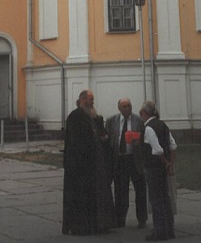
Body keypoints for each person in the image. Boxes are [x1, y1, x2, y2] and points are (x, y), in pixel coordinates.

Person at [62, 89, 114, 235]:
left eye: (93, 100)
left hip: (96, 163)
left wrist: (104, 139)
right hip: (81, 165)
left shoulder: (96, 117)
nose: (93, 103)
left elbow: (102, 133)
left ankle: (100, 224)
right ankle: (82, 226)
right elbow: (75, 142)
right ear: (83, 100)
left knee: (98, 194)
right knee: (82, 197)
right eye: (90, 100)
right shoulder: (75, 117)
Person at [106, 98, 147, 229]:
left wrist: (138, 143)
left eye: (129, 106)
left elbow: (145, 139)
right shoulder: (112, 121)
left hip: (134, 159)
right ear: (119, 108)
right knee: (120, 191)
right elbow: (108, 140)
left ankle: (142, 219)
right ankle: (120, 218)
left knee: (140, 190)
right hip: (120, 160)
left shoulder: (139, 121)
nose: (127, 109)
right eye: (124, 106)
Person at [140, 101, 177, 241]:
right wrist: (170, 164)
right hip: (163, 168)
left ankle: (160, 231)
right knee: (165, 198)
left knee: (156, 199)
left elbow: (157, 150)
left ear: (144, 113)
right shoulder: (163, 125)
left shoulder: (149, 128)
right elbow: (173, 145)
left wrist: (166, 162)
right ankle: (169, 229)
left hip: (153, 167)